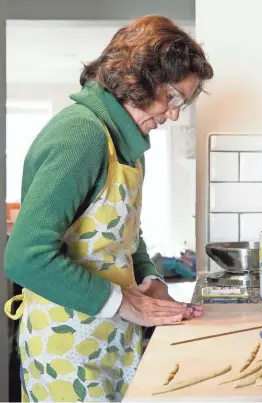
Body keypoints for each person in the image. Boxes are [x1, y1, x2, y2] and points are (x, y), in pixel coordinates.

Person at [3, 15, 213, 402]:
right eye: (174, 97)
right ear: (138, 79)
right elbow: (24, 258)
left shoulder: (127, 142)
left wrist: (151, 283)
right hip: (66, 351)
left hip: (113, 338)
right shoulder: (81, 134)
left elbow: (128, 235)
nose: (175, 114)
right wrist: (125, 301)